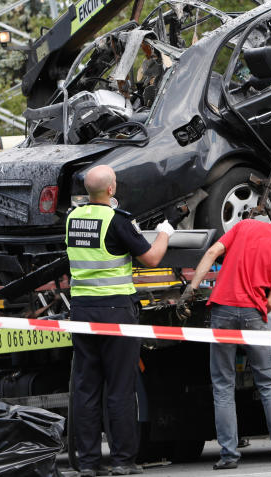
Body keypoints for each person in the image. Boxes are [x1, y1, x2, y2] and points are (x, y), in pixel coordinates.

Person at [188, 205, 271, 470]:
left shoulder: (245, 226)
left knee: (222, 385)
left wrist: (192, 288)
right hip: (253, 315)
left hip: (221, 310)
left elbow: (212, 251)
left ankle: (229, 455)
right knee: (268, 383)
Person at [67, 165, 173, 477]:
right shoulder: (117, 220)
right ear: (111, 190)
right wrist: (165, 232)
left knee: (86, 388)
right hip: (115, 311)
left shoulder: (73, 219)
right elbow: (152, 258)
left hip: (82, 311)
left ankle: (87, 463)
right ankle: (122, 460)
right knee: (120, 388)